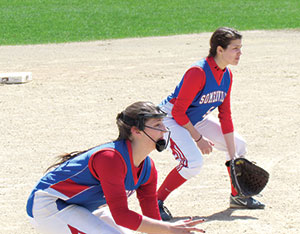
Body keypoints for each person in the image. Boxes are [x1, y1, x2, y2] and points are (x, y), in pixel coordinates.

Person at [26, 101, 205, 234]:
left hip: (84, 207)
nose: (164, 130)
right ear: (136, 131)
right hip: (49, 205)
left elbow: (152, 217)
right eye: (157, 125)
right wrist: (168, 228)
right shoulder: (110, 158)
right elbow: (121, 215)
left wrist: (165, 230)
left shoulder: (148, 168)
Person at [157, 27, 265, 221]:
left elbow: (225, 115)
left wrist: (233, 156)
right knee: (193, 162)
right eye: (235, 48)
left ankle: (238, 196)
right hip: (169, 119)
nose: (240, 53)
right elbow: (178, 111)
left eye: (240, 48)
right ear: (220, 50)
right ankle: (156, 202)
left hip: (194, 119)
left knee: (239, 146)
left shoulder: (227, 75)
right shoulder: (198, 72)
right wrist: (198, 139)